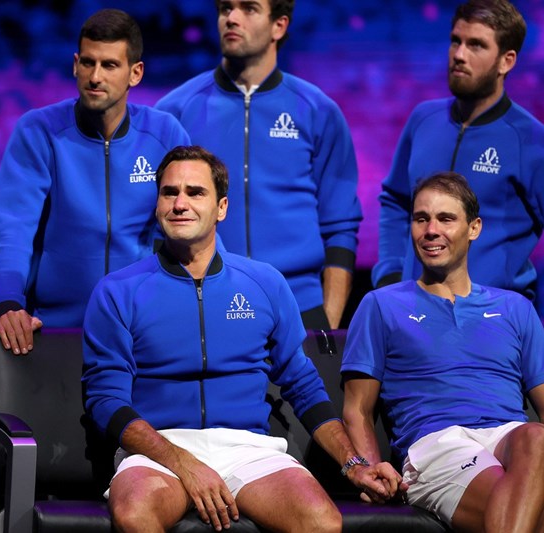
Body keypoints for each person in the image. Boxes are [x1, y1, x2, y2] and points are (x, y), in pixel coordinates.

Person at [82, 145, 401, 533]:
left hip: (246, 450)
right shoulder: (118, 291)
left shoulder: (263, 283)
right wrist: (183, 462)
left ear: (221, 208)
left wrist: (354, 465)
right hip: (158, 449)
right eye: (170, 193)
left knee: (322, 521)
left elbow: (304, 386)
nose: (180, 203)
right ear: (157, 204)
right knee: (135, 514)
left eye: (195, 192)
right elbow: (105, 400)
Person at [342, 171, 544, 531]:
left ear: (474, 228)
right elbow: (357, 409)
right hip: (439, 445)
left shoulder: (515, 308)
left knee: (538, 436)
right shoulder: (381, 305)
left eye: (446, 219)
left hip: (512, 442)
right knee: (521, 505)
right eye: (421, 218)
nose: (431, 230)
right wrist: (369, 470)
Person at [373, 0, 544, 333]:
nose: (459, 54)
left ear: (506, 61)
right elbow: (396, 202)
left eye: (476, 45)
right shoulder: (422, 121)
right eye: (456, 41)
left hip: (494, 326)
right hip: (414, 320)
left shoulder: (531, 140)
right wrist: (389, 278)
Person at [0, 8, 190, 355]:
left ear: (135, 73)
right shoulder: (40, 131)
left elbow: (193, 226)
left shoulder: (164, 133)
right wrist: (7, 300)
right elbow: (13, 225)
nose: (95, 76)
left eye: (110, 65)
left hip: (143, 331)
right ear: (75, 64)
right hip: (55, 330)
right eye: (88, 63)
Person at [156, 0, 362, 330]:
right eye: (225, 9)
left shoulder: (319, 111)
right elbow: (156, 223)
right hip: (201, 308)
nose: (231, 18)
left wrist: (329, 322)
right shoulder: (174, 112)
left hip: (300, 309)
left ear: (279, 26)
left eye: (248, 8)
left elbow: (341, 225)